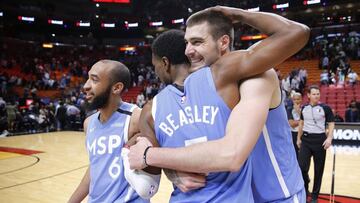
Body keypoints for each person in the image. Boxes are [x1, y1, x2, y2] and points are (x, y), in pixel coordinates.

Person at [129, 6, 309, 202]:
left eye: (197, 42)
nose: (188, 51)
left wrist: (240, 15)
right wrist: (171, 170)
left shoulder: (257, 76)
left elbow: (230, 153)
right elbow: (186, 144)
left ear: (223, 42)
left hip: (276, 195)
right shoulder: (199, 86)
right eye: (187, 43)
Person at [68, 60, 160, 203]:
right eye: (88, 78)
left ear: (116, 88)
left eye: (94, 79)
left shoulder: (136, 118)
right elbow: (96, 168)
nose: (85, 86)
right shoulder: (89, 123)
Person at [297, 85, 335, 203]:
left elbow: (331, 124)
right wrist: (299, 138)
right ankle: (305, 188)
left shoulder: (326, 108)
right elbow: (301, 124)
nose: (316, 96)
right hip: (306, 141)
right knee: (302, 168)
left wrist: (329, 139)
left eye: (318, 94)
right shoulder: (304, 108)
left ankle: (314, 196)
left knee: (319, 170)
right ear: (308, 95)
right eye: (314, 94)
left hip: (320, 141)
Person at [287, 92, 302, 158]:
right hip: (293, 133)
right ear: (292, 100)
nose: (296, 101)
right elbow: (291, 124)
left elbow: (307, 122)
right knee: (294, 154)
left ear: (301, 99)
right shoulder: (289, 109)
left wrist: (298, 111)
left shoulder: (305, 108)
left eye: (298, 99)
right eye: (295, 99)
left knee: (302, 155)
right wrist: (302, 122)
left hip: (303, 133)